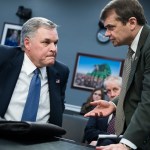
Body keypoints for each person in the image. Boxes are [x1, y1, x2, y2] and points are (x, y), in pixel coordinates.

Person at [84, 0, 150, 149]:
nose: (107, 34)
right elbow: (134, 88)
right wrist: (114, 104)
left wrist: (126, 144)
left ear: (132, 22)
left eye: (110, 27)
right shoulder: (136, 48)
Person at [0, 17, 69, 127]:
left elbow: (58, 109)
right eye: (46, 42)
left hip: (40, 140)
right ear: (27, 43)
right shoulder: (3, 57)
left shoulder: (61, 72)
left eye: (55, 43)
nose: (54, 49)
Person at [84, 76, 122, 146]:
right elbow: (88, 132)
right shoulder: (99, 108)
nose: (112, 94)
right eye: (109, 91)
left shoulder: (131, 112)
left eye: (115, 89)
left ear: (123, 90)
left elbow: (128, 138)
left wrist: (100, 141)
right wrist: (111, 136)